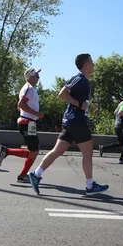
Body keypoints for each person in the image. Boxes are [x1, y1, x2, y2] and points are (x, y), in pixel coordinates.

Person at [27, 53, 109, 196]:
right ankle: (90, 186)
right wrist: (79, 104)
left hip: (71, 121)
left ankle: (36, 174)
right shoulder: (79, 79)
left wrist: (87, 107)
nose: (93, 63)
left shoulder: (85, 82)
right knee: (88, 152)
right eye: (91, 61)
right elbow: (62, 93)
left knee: (57, 151)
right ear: (85, 65)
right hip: (76, 121)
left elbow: (79, 101)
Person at [0, 68, 44, 182]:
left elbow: (21, 105)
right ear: (29, 76)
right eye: (36, 74)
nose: (38, 77)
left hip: (30, 122)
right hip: (27, 122)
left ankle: (22, 176)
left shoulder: (30, 88)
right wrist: (35, 113)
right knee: (34, 151)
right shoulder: (28, 87)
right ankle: (7, 152)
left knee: (34, 150)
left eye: (38, 74)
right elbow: (21, 104)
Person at [99, 91, 123, 164]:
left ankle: (103, 148)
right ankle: (121, 159)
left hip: (118, 126)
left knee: (122, 143)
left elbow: (115, 112)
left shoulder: (121, 103)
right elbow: (120, 112)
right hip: (122, 126)